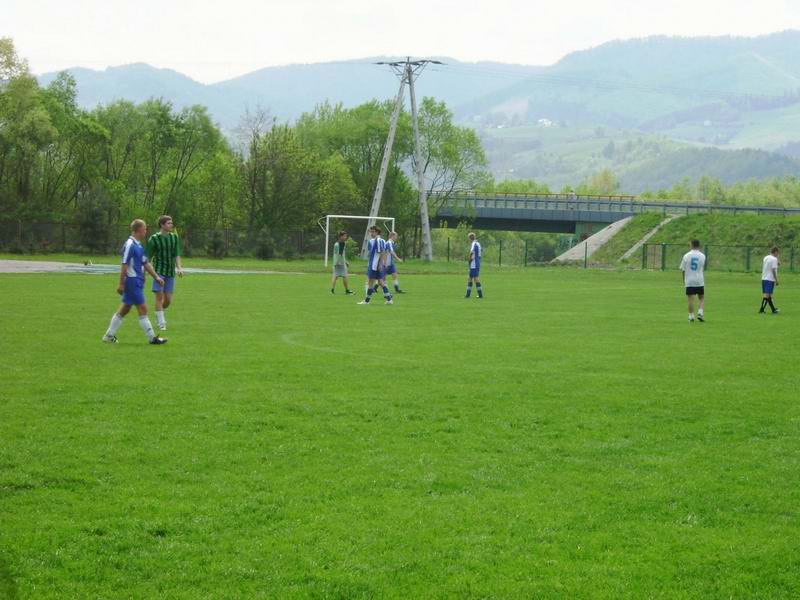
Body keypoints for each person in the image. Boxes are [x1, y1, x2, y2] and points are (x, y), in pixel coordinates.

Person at [102, 219, 168, 345]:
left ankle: (108, 336)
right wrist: (121, 283)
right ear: (138, 230)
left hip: (136, 281)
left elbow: (145, 263)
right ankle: (152, 338)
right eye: (144, 229)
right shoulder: (130, 244)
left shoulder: (138, 245)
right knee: (142, 308)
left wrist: (156, 277)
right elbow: (124, 264)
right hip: (131, 281)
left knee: (125, 308)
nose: (146, 231)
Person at [145, 215, 183, 331]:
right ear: (162, 225)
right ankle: (162, 323)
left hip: (170, 272)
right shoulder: (154, 239)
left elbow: (176, 254)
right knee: (159, 297)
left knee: (168, 300)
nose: (171, 225)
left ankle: (159, 312)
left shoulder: (174, 238)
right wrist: (146, 271)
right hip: (158, 272)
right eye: (168, 223)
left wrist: (179, 267)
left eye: (171, 223)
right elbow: (147, 258)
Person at [358, 226, 393, 305]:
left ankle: (366, 301)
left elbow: (382, 252)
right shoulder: (375, 241)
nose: (371, 233)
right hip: (374, 264)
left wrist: (380, 264)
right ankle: (389, 299)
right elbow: (375, 253)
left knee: (370, 283)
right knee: (381, 282)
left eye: (373, 232)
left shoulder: (378, 240)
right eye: (371, 232)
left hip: (375, 265)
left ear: (377, 232)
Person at [679, 240, 706, 322]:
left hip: (689, 280)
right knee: (701, 298)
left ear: (691, 245)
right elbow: (701, 267)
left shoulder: (686, 256)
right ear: (698, 245)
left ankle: (691, 316)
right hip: (699, 280)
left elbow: (683, 269)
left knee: (690, 299)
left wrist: (684, 280)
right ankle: (700, 312)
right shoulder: (703, 256)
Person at [760, 246, 780, 314]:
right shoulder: (774, 259)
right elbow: (773, 270)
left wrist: (777, 263)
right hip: (770, 279)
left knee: (769, 295)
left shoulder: (766, 257)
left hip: (764, 278)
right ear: (775, 252)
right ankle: (762, 310)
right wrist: (776, 280)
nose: (778, 254)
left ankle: (773, 309)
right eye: (778, 253)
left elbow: (768, 266)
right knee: (767, 295)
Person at [465, 232, 483, 299]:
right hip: (477, 262)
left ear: (470, 238)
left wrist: (469, 259)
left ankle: (480, 295)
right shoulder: (478, 243)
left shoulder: (474, 243)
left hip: (474, 264)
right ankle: (468, 295)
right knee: (470, 278)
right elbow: (480, 252)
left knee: (476, 278)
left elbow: (472, 252)